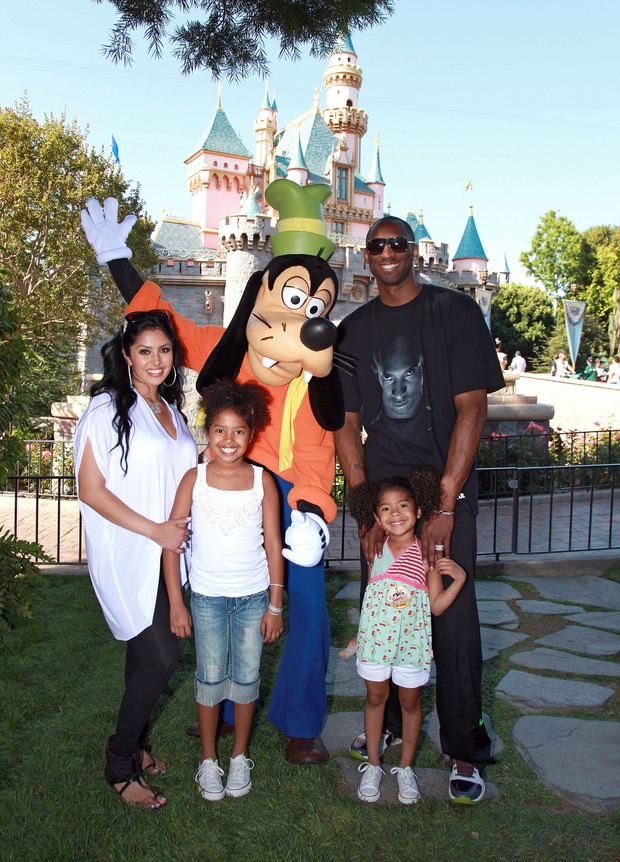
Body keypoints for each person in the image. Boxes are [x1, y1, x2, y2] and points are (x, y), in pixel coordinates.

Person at [81, 190, 342, 765]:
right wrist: (116, 258)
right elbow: (163, 328)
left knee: (305, 603)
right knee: (222, 590)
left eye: (314, 308)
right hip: (233, 481)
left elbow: (324, 447)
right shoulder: (234, 350)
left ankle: (300, 723)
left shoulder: (322, 382)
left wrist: (317, 507)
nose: (300, 322)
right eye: (292, 300)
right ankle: (224, 706)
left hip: (293, 497)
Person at [334, 215, 504, 804]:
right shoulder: (351, 333)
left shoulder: (453, 313)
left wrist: (448, 503)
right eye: (375, 245)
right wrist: (364, 514)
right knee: (382, 618)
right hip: (386, 508)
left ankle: (464, 750)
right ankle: (379, 736)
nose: (386, 252)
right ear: (365, 255)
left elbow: (472, 408)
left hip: (440, 501)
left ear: (413, 252)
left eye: (397, 244)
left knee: (453, 627)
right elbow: (346, 425)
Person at [74, 310, 197, 809]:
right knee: (162, 658)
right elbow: (90, 489)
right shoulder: (105, 410)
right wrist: (155, 531)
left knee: (144, 657)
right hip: (129, 551)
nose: (156, 360)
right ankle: (119, 761)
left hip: (171, 557)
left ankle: (140, 747)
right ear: (126, 356)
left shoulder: (172, 411)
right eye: (144, 351)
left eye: (164, 351)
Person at [162, 380, 284, 801]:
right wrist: (177, 603)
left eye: (238, 431)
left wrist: (275, 604)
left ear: (251, 435)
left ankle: (238, 757)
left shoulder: (261, 481)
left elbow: (273, 545)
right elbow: (172, 544)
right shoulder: (192, 480)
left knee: (247, 679)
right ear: (207, 431)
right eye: (219, 430)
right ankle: (208, 760)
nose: (228, 440)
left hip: (253, 600)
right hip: (208, 600)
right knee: (210, 679)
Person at [349, 469, 467, 805]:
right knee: (375, 699)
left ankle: (405, 768)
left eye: (403, 505)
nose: (395, 513)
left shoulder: (427, 555)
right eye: (385, 508)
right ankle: (373, 765)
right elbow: (372, 599)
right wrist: (360, 637)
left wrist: (458, 579)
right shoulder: (375, 551)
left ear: (418, 511)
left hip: (411, 647)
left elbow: (437, 606)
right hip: (375, 645)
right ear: (376, 517)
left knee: (409, 703)